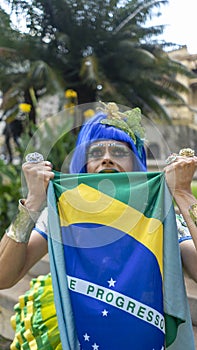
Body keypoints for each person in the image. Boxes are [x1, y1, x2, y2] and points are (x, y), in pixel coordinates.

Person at [0, 102, 197, 349]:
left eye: (118, 151)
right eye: (95, 153)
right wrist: (32, 203)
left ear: (136, 163)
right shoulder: (64, 214)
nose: (106, 159)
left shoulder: (160, 215)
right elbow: (3, 277)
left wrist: (183, 194)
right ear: (84, 166)